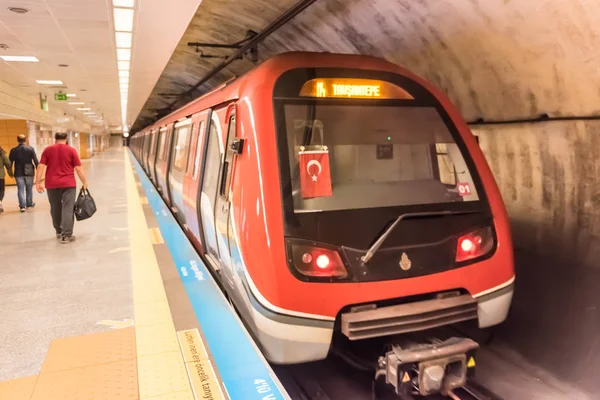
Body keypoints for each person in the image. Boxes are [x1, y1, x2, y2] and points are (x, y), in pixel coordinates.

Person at [36, 132, 88, 244]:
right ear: (66, 138)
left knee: (55, 208)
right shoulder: (71, 150)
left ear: (55, 138)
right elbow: (78, 168)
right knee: (68, 208)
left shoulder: (47, 150)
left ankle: (59, 231)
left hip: (52, 184)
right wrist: (84, 182)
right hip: (68, 184)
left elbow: (40, 166)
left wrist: (37, 182)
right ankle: (66, 235)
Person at [9, 134, 38, 212]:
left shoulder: (13, 150)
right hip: (29, 171)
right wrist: (38, 169)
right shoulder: (30, 149)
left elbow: (10, 162)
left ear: (17, 140)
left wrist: (10, 172)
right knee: (29, 189)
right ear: (26, 140)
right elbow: (35, 160)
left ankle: (22, 206)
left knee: (20, 189)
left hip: (18, 172)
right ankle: (29, 203)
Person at [0, 146, 14, 213]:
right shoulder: (2, 154)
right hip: (0, 176)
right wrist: (10, 173)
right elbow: (8, 164)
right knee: (1, 190)